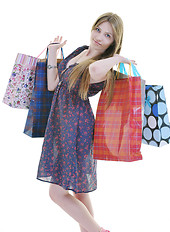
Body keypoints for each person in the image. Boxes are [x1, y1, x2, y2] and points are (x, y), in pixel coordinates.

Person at [37, 12, 136, 232]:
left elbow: (93, 70)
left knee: (56, 193)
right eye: (98, 29)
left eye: (107, 35)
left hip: (77, 129)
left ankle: (99, 231)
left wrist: (117, 59)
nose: (99, 36)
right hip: (61, 126)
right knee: (80, 191)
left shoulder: (101, 65)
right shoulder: (81, 51)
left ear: (114, 42)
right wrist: (52, 53)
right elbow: (54, 85)